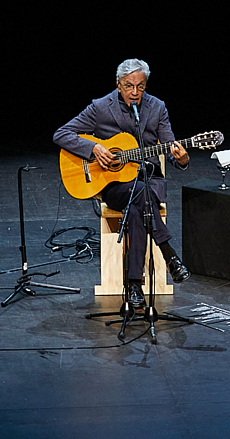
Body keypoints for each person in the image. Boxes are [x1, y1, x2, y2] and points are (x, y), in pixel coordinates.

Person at [53, 58, 191, 307]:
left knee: (139, 204)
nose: (135, 92)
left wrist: (181, 157)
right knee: (139, 195)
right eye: (129, 86)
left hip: (147, 182)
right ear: (118, 84)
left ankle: (134, 286)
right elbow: (61, 134)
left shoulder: (157, 108)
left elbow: (171, 148)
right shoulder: (100, 107)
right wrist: (93, 148)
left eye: (140, 86)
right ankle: (169, 254)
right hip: (114, 186)